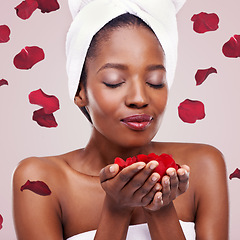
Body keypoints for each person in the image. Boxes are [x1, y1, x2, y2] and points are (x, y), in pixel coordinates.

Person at [13, 0, 229, 239]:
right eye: (114, 81)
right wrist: (116, 210)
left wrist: (160, 207)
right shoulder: (42, 179)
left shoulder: (203, 167)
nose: (139, 98)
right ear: (79, 91)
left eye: (155, 81)